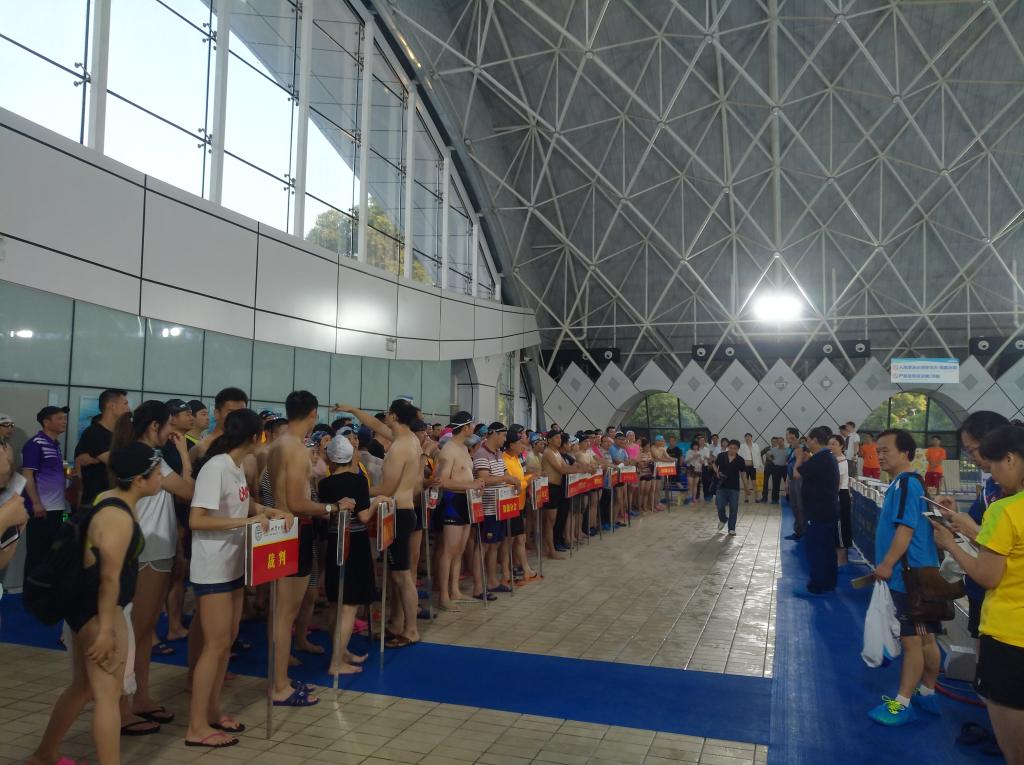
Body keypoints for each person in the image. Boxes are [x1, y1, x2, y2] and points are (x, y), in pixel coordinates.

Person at [28, 442, 161, 765]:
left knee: (83, 686)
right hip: (99, 611)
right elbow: (108, 578)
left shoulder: (108, 499)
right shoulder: (118, 518)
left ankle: (44, 754)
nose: (161, 478)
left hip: (83, 606)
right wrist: (105, 630)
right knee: (107, 695)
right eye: (157, 473)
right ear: (139, 480)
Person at [185, 409, 294, 748]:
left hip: (232, 564)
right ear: (254, 437)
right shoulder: (216, 468)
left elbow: (242, 507)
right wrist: (245, 523)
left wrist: (266, 511)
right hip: (213, 567)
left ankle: (213, 710)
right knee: (215, 645)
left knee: (226, 642)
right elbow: (197, 520)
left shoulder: (234, 468)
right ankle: (196, 726)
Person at [930, 424, 1024, 762]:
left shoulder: (1007, 509)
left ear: (1010, 459)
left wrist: (950, 545)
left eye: (993, 463)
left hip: (1010, 638)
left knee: (1015, 750)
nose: (992, 474)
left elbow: (988, 576)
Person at [111, 400, 195, 726]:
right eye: (169, 424)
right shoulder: (150, 458)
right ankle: (122, 706)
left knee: (144, 630)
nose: (173, 431)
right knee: (135, 631)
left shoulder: (140, 454)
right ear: (155, 426)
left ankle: (140, 697)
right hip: (146, 550)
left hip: (152, 548)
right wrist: (185, 456)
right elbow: (187, 490)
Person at [266, 391, 341, 706]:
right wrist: (331, 507)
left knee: (281, 612)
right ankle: (279, 686)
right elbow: (297, 502)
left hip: (282, 530)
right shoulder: (295, 449)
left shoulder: (277, 445)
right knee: (285, 613)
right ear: (313, 414)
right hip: (294, 529)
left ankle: (279, 677)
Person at [868, 429, 941, 726]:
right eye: (878, 451)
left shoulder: (906, 484)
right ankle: (928, 691)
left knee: (913, 642)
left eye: (886, 450)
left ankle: (901, 704)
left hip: (909, 577)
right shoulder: (905, 483)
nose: (880, 456)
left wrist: (887, 564)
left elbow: (906, 529)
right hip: (916, 575)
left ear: (906, 453)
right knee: (926, 637)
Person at [318, 435, 382, 676]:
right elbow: (364, 517)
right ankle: (336, 662)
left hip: (334, 542)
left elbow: (326, 515)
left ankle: (342, 652)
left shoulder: (324, 484)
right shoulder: (358, 481)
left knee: (336, 602)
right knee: (349, 606)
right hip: (354, 544)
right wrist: (378, 502)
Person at [434, 412, 485, 611]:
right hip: (452, 501)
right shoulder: (448, 450)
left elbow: (464, 475)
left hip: (466, 501)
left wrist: (476, 484)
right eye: (471, 425)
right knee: (449, 550)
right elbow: (442, 481)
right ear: (465, 427)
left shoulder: (463, 448)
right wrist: (470, 485)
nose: (473, 428)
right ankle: (443, 596)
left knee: (460, 550)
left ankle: (454, 591)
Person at [22, 405, 70, 575]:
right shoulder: (35, 444)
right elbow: (27, 474)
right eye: (59, 418)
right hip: (42, 509)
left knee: (51, 553)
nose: (64, 421)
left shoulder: (55, 445)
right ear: (46, 422)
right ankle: (31, 589)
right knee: (37, 553)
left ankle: (45, 588)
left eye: (64, 418)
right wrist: (36, 503)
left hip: (56, 507)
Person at [472, 422, 519, 597]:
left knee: (494, 546)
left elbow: (505, 474)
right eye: (503, 435)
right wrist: (507, 479)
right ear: (493, 434)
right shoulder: (481, 453)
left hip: (500, 507)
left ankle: (492, 582)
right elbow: (484, 479)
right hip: (487, 508)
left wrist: (513, 480)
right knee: (483, 546)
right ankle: (478, 587)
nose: (505, 439)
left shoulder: (498, 454)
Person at [162, 399, 195, 646]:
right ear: (171, 418)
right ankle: (170, 625)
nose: (190, 417)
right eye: (186, 413)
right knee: (171, 574)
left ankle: (175, 623)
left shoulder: (184, 444)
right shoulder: (164, 448)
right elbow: (184, 489)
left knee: (179, 572)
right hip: (168, 518)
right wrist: (184, 455)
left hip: (180, 516)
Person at [794, 426, 839, 596]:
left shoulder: (820, 459)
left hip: (817, 511)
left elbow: (797, 474)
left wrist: (799, 458)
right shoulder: (828, 457)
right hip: (828, 510)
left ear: (814, 440)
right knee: (827, 549)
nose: (806, 443)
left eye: (808, 439)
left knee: (816, 549)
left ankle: (816, 586)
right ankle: (829, 583)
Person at [76, 389, 131, 511]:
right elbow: (118, 463)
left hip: (118, 500)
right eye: (125, 403)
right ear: (111, 406)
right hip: (96, 502)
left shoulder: (123, 434)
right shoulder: (93, 433)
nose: (128, 408)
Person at [503, 425, 540, 584]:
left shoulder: (516, 459)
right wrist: (527, 481)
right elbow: (511, 485)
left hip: (520, 504)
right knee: (510, 541)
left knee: (520, 538)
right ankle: (508, 572)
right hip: (510, 505)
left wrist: (529, 478)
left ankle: (524, 569)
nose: (522, 445)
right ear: (511, 445)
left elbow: (520, 479)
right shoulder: (505, 460)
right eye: (519, 443)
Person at [829, 434, 852, 566]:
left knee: (841, 528)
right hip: (835, 495)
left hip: (840, 495)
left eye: (834, 444)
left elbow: (837, 483)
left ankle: (842, 561)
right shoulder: (833, 459)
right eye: (830, 443)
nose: (831, 446)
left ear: (841, 446)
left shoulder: (841, 462)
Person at [713, 440, 744, 536]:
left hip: (734, 487)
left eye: (735, 448)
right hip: (722, 486)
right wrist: (717, 472)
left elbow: (743, 473)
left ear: (738, 449)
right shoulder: (721, 456)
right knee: (720, 505)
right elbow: (714, 464)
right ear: (728, 447)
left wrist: (746, 487)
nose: (732, 450)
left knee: (733, 508)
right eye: (731, 447)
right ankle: (723, 519)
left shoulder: (740, 460)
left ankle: (731, 528)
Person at [784, 428, 807, 540]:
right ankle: (798, 530)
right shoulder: (791, 449)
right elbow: (788, 464)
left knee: (800, 505)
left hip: (799, 480)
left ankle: (803, 531)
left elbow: (800, 464)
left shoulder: (801, 448)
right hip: (792, 479)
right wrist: (787, 481)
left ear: (793, 436)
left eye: (787, 435)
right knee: (794, 505)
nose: (786, 437)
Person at [738, 433, 763, 504]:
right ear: (744, 438)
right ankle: (746, 498)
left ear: (751, 438)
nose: (747, 438)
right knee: (746, 483)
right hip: (744, 466)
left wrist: (760, 465)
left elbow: (758, 455)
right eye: (746, 437)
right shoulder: (742, 446)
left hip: (753, 466)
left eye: (749, 437)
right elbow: (739, 455)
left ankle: (757, 497)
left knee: (754, 483)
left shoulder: (756, 445)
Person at [764, 437, 788, 504]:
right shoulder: (774, 449)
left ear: (783, 442)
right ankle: (774, 499)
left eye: (781, 441)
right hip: (776, 468)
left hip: (785, 468)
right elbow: (767, 454)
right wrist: (772, 460)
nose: (780, 442)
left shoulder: (787, 449)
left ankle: (788, 498)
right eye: (778, 441)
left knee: (787, 484)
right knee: (775, 484)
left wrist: (787, 461)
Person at [684, 440, 702, 505]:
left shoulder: (699, 452)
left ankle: (694, 498)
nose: (695, 447)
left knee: (695, 485)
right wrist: (693, 457)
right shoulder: (689, 452)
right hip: (690, 469)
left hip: (697, 469)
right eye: (694, 445)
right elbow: (685, 461)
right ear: (692, 446)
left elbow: (701, 462)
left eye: (696, 445)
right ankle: (689, 499)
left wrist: (701, 461)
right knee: (690, 484)